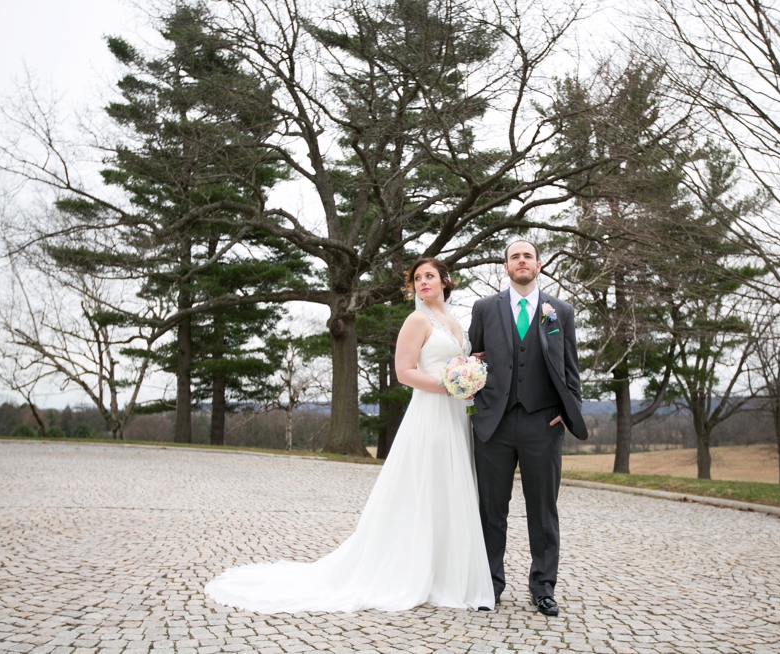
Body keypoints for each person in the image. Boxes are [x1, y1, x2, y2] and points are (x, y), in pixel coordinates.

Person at [204, 257, 495, 613]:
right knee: (426, 488)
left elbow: (456, 361)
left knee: (450, 488)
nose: (422, 283)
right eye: (417, 278)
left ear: (445, 281)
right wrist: (446, 386)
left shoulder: (453, 322)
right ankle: (415, 571)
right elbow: (403, 373)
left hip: (454, 416)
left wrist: (469, 371)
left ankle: (447, 573)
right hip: (431, 413)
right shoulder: (417, 320)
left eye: (429, 276)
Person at [468, 240, 588, 617]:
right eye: (514, 257)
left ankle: (543, 587)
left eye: (527, 256)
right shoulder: (485, 308)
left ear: (540, 265)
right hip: (495, 424)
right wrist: (475, 395)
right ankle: (490, 584)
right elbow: (474, 361)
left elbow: (571, 369)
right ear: (505, 267)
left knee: (542, 510)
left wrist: (569, 413)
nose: (521, 261)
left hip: (543, 422)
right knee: (491, 509)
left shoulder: (560, 311)